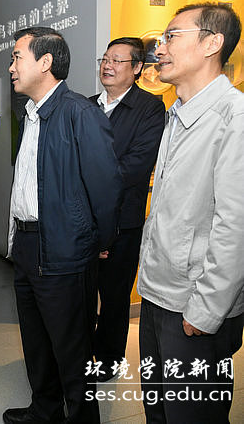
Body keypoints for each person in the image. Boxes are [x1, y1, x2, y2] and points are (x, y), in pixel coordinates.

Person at [3, 27, 122, 424]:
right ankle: (45, 411)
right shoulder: (30, 114)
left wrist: (96, 242)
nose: (11, 67)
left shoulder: (79, 113)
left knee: (72, 352)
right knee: (36, 341)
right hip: (27, 245)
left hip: (65, 250)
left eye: (17, 57)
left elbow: (106, 188)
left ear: (45, 62)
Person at [137, 3, 244, 423]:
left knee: (193, 415)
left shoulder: (234, 118)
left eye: (171, 37)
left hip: (194, 306)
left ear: (211, 43)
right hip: (158, 294)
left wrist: (207, 309)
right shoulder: (177, 112)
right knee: (158, 410)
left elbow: (235, 226)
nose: (159, 49)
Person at [88, 37, 165, 382]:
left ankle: (108, 359)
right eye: (105, 59)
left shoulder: (149, 108)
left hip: (123, 222)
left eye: (117, 60)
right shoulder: (86, 106)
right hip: (84, 220)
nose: (108, 65)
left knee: (115, 296)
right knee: (81, 292)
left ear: (136, 68)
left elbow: (136, 165)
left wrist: (88, 177)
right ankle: (81, 350)